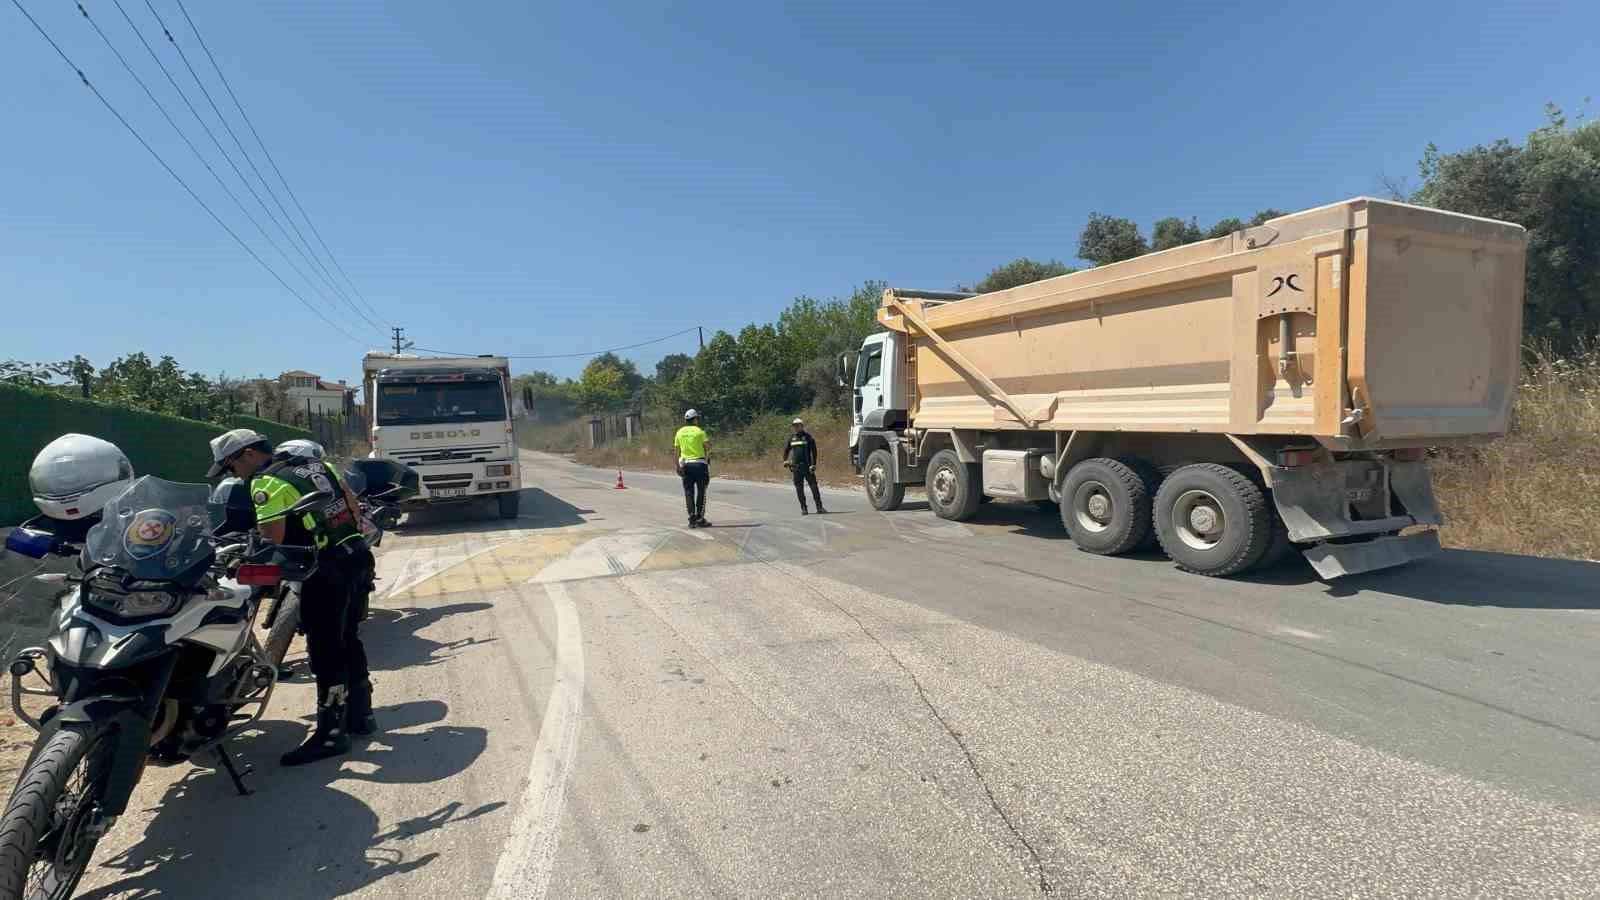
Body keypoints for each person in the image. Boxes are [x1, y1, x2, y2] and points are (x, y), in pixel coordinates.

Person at [207, 428, 375, 766]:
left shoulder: (264, 483)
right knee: (348, 639)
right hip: (356, 556)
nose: (233, 474)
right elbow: (352, 506)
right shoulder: (317, 465)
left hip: (323, 570)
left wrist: (246, 555)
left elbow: (274, 538)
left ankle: (330, 735)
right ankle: (361, 716)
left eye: (230, 467)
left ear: (248, 456)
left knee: (324, 649)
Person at [673, 409, 711, 528]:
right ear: (695, 419)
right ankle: (700, 518)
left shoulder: (679, 432)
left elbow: (676, 452)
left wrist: (677, 466)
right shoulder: (700, 432)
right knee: (701, 491)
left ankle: (691, 518)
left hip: (686, 466)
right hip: (700, 465)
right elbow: (708, 449)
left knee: (689, 492)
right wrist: (707, 460)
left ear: (685, 420)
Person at [783, 417, 827, 515]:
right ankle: (804, 508)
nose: (796, 427)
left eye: (798, 425)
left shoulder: (808, 437)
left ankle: (819, 507)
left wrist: (813, 464)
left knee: (814, 487)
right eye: (794, 426)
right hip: (796, 468)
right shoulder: (791, 438)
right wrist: (785, 461)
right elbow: (786, 450)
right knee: (799, 489)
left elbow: (814, 452)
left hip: (807, 467)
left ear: (802, 426)